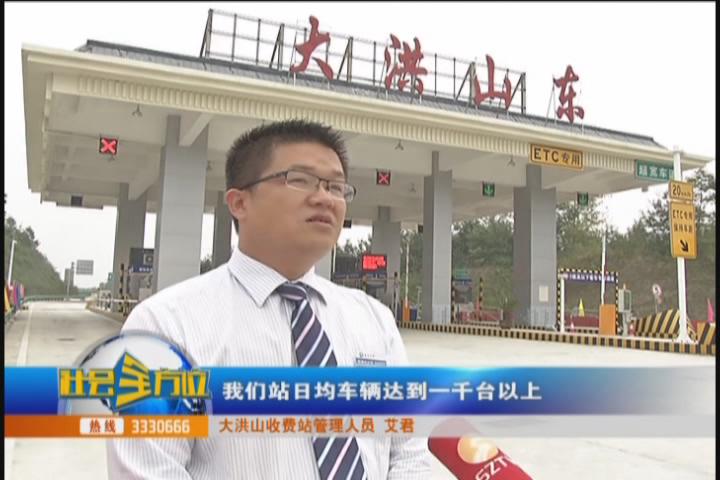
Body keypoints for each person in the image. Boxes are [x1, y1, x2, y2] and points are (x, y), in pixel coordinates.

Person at [107, 119, 431, 479]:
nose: (325, 198)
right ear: (239, 202)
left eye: (336, 186)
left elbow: (409, 454)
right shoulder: (164, 326)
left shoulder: (373, 318)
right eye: (300, 180)